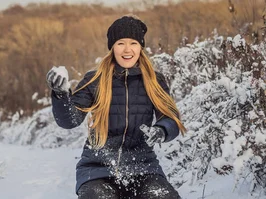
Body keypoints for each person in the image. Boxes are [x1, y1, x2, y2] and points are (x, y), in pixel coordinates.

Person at [46, 15, 186, 199]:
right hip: (98, 169)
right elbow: (70, 120)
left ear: (140, 47)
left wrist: (162, 130)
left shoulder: (154, 80)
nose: (127, 50)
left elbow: (171, 119)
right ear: (112, 47)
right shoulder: (94, 79)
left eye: (133, 43)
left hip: (143, 167)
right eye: (121, 43)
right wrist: (61, 94)